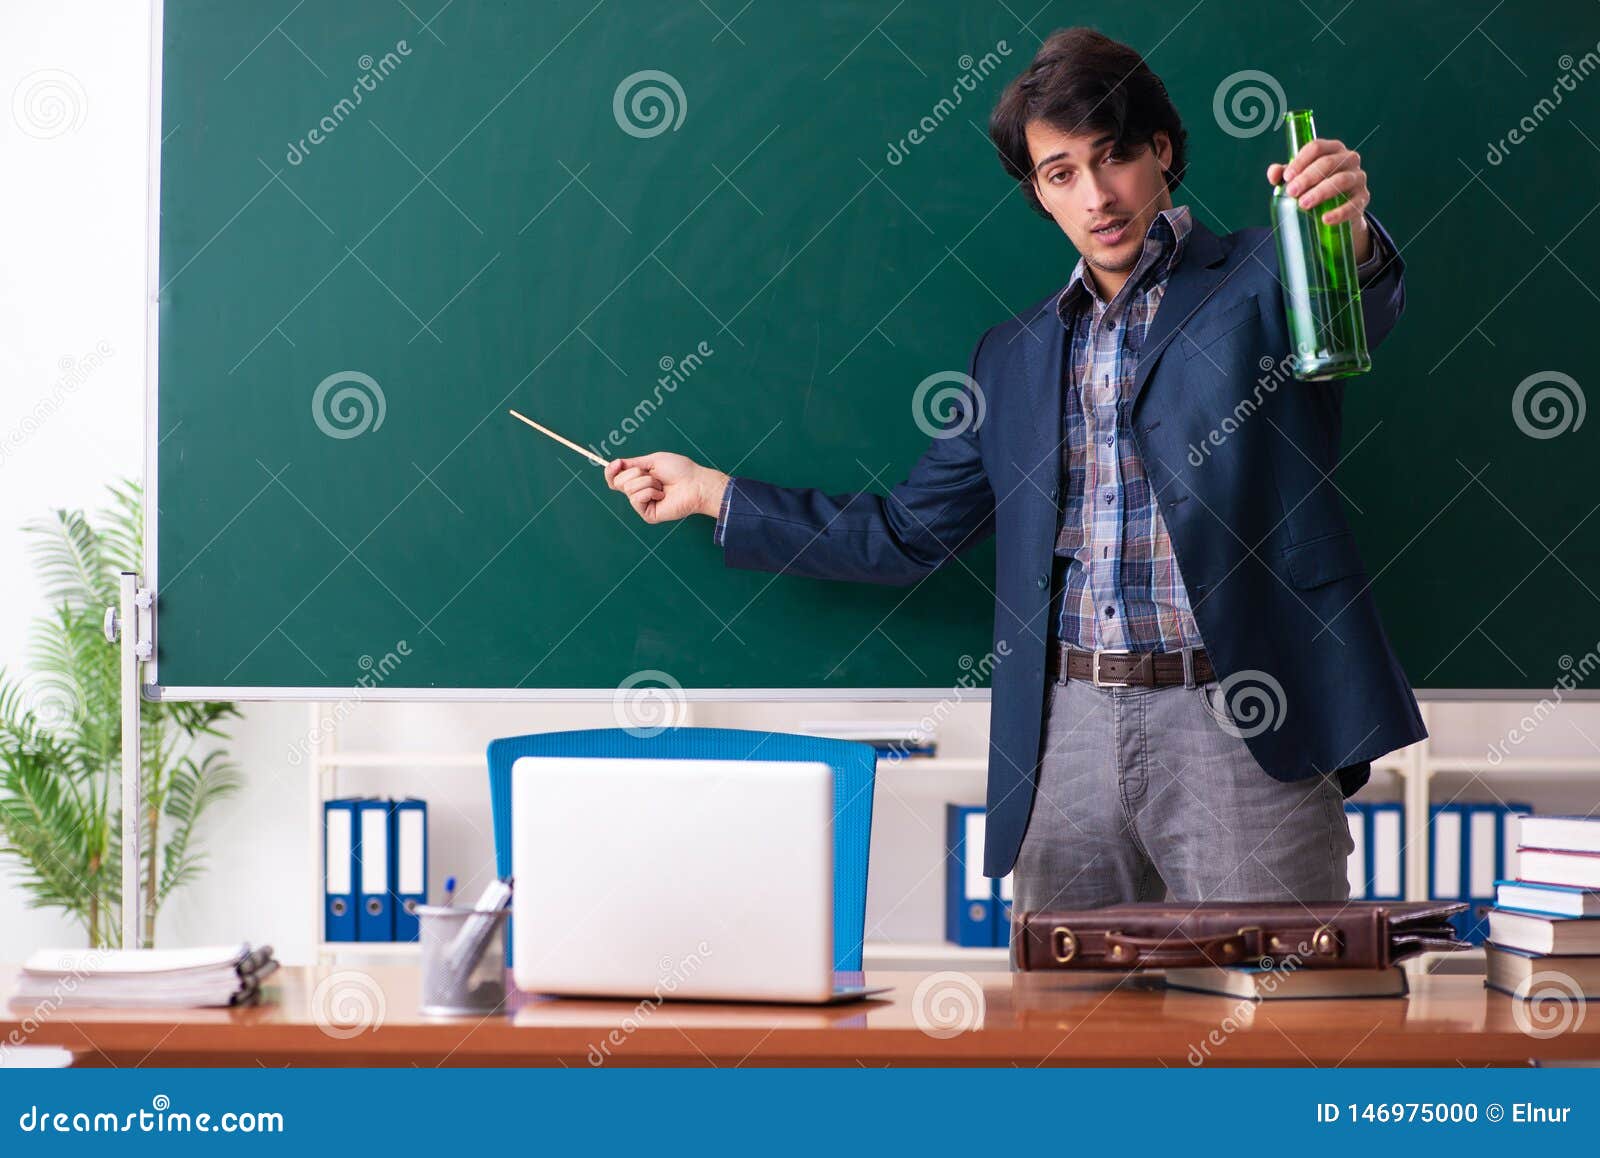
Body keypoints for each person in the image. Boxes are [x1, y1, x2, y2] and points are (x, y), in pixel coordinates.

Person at [603, 27, 1424, 943]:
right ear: (1038, 191)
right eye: (1061, 173)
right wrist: (715, 492)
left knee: (1283, 1032)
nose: (1098, 196)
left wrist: (1345, 235)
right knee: (1071, 1048)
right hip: (1059, 735)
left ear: (1162, 151)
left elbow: (1362, 299)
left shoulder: (1263, 277)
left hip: (1242, 722)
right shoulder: (1013, 357)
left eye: (1114, 158)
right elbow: (911, 531)